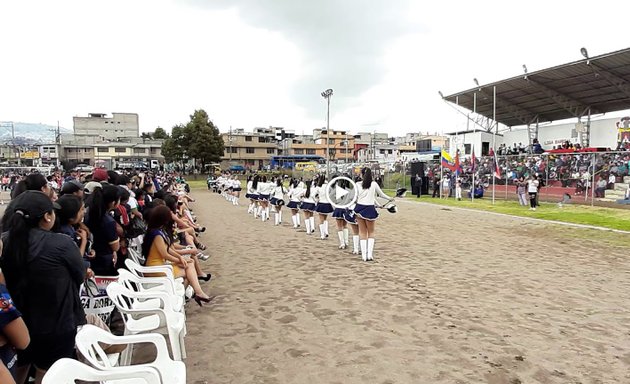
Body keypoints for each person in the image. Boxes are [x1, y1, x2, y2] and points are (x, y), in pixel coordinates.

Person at [1, 191, 85, 382]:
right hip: (56, 325)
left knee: (17, 373)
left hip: (16, 325)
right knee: (48, 376)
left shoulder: (4, 242)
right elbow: (79, 275)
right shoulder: (61, 243)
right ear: (47, 217)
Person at [143, 205, 211, 306]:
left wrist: (179, 258)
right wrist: (179, 260)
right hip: (156, 268)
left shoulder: (158, 231)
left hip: (160, 265)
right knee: (189, 270)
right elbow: (165, 254)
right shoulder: (157, 234)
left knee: (190, 265)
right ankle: (190, 295)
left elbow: (169, 249)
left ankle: (192, 294)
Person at [354, 168, 392, 261]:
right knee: (371, 232)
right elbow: (381, 194)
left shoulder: (357, 185)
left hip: (359, 208)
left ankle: (363, 256)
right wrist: (390, 198)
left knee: (362, 232)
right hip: (370, 209)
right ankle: (369, 255)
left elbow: (354, 198)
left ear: (361, 175)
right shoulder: (374, 184)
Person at [85, 183, 121, 276]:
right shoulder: (108, 221)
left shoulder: (88, 213)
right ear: (113, 202)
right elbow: (115, 246)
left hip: (89, 256)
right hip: (103, 261)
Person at [313, 175, 332, 240]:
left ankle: (322, 235)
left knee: (321, 220)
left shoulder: (318, 187)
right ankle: (326, 232)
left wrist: (316, 200)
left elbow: (313, 195)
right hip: (327, 203)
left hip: (321, 203)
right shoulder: (328, 186)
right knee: (325, 219)